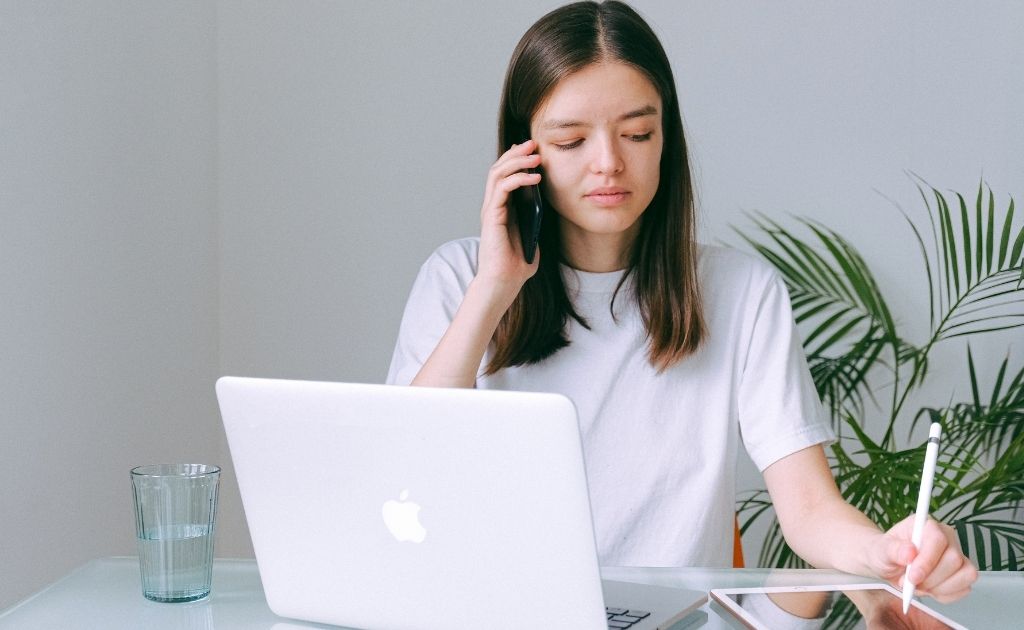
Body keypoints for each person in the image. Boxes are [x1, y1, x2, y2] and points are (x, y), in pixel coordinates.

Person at [386, 0, 977, 604]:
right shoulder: (458, 279)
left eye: (638, 133)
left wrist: (884, 553)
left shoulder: (743, 293)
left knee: (807, 593)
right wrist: (493, 290)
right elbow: (404, 470)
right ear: (522, 157)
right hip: (494, 614)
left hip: (672, 620)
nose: (610, 163)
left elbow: (810, 511)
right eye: (570, 142)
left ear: (666, 138)